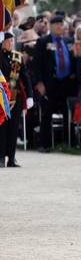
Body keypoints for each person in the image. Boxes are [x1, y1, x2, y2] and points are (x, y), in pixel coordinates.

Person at [33, 14, 74, 152]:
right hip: (49, 83)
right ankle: (43, 144)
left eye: (61, 24)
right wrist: (39, 83)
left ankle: (68, 143)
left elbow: (73, 60)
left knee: (68, 113)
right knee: (47, 114)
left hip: (66, 83)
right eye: (55, 24)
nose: (58, 26)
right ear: (50, 26)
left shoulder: (69, 41)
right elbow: (36, 64)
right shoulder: (43, 41)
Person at [0, 32, 33, 167]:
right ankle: (1, 157)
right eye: (8, 40)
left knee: (14, 128)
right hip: (1, 97)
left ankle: (11, 158)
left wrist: (30, 95)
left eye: (12, 41)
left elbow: (25, 77)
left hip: (15, 96)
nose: (11, 43)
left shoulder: (17, 57)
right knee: (2, 128)